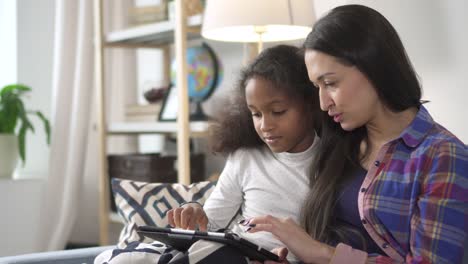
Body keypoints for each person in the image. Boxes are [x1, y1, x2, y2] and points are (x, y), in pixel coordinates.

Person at [246, 5, 468, 264]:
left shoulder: (442, 156)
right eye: (316, 86)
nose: (322, 102)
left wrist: (324, 255)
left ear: (374, 67)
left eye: (330, 83)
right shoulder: (339, 140)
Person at [167, 44, 322, 261]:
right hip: (233, 251)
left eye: (278, 112)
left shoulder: (329, 163)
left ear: (311, 104)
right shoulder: (246, 157)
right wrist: (195, 212)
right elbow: (211, 222)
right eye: (256, 114)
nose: (265, 125)